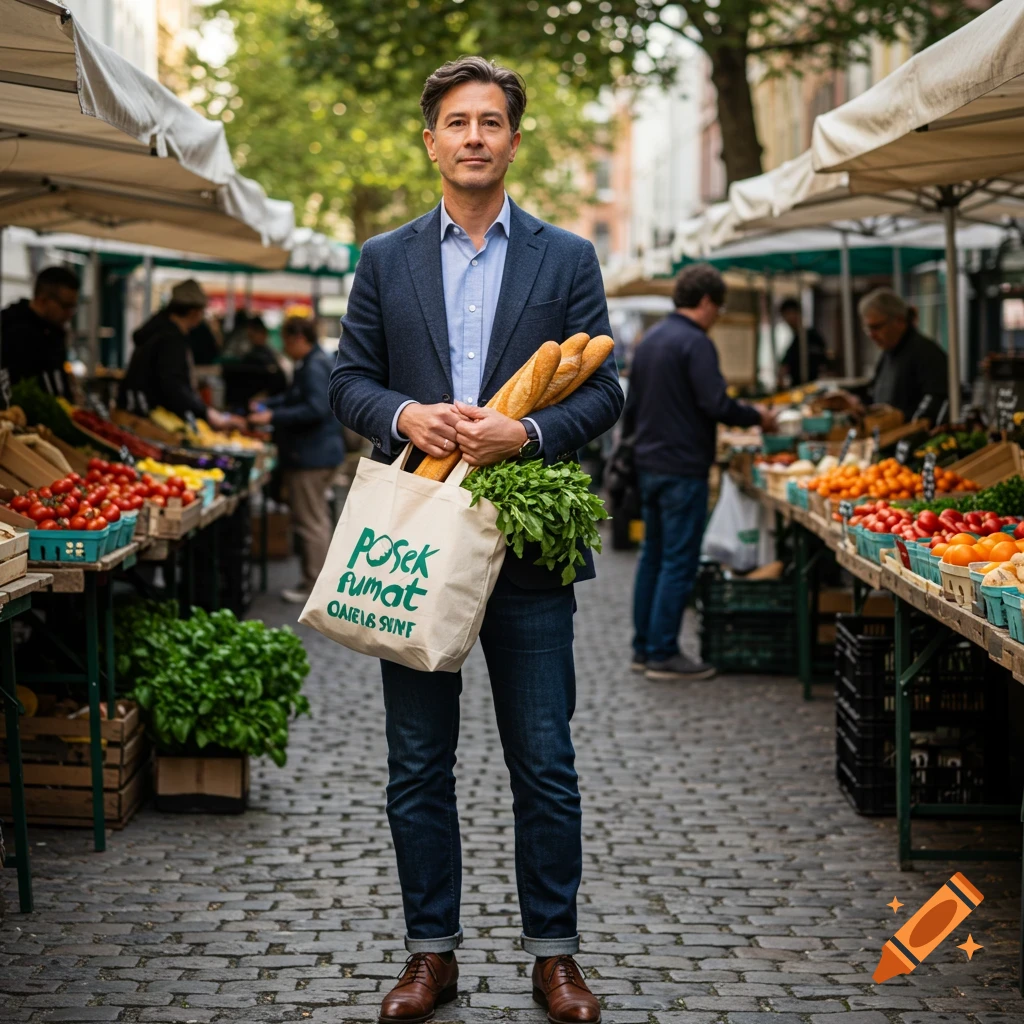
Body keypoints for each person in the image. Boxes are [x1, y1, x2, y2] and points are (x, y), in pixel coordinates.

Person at [329, 56, 622, 1024]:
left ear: (511, 139)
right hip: (416, 547)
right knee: (418, 763)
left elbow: (605, 390)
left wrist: (527, 432)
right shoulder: (383, 258)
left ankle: (556, 954)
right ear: (432, 140)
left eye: (490, 121)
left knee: (543, 758)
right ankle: (429, 953)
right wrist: (408, 415)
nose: (473, 136)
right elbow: (346, 382)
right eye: (456, 121)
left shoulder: (566, 258)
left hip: (529, 552)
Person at [627, 263, 777, 681]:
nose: (718, 316)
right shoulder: (696, 342)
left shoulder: (651, 339)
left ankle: (643, 647)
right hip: (682, 465)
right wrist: (757, 416)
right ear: (707, 302)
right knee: (678, 560)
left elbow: (634, 406)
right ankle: (662, 653)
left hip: (649, 462)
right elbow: (715, 402)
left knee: (653, 557)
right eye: (719, 307)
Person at [248, 317, 342, 604]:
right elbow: (295, 397)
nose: (285, 348)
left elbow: (315, 408)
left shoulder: (313, 365)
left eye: (287, 341)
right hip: (318, 453)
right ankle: (317, 582)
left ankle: (315, 585)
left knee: (311, 523)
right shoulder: (313, 362)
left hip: (312, 456)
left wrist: (272, 416)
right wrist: (270, 406)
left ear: (299, 339)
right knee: (317, 520)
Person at [118, 280, 239, 429]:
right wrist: (204, 412)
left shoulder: (158, 329)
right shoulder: (170, 338)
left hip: (140, 412)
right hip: (151, 419)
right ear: (193, 311)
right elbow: (173, 385)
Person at [860, 287, 948, 422]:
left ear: (900, 321)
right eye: (868, 329)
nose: (872, 335)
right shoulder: (888, 352)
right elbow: (873, 392)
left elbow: (937, 404)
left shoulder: (926, 353)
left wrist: (902, 417)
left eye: (876, 327)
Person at [0, 266, 79, 397]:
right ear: (42, 300)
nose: (70, 314)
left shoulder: (55, 332)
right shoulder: (10, 329)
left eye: (73, 307)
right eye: (65, 306)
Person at [779, 297, 829, 386]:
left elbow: (825, 362)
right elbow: (784, 366)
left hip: (813, 386)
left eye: (790, 313)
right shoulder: (794, 341)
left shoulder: (812, 336)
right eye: (785, 315)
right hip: (797, 387)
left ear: (799, 313)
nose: (789, 318)